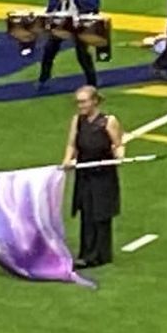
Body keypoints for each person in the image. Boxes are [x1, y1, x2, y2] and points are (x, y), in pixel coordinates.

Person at [61, 86, 125, 269]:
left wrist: (119, 156)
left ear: (94, 101)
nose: (80, 106)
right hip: (85, 173)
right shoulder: (78, 121)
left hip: (103, 174)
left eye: (83, 102)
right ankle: (86, 253)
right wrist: (67, 160)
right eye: (78, 102)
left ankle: (101, 254)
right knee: (86, 212)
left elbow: (118, 144)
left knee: (101, 213)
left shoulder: (108, 121)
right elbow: (72, 145)